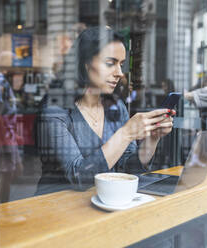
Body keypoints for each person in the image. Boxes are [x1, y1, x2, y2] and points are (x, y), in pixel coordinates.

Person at [35, 27, 175, 195]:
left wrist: (153, 137)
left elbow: (128, 169)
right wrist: (126, 134)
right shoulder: (54, 109)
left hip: (103, 202)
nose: (119, 73)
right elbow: (79, 177)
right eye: (110, 63)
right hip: (54, 207)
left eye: (121, 64)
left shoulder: (116, 106)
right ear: (85, 63)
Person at [0, 71, 23, 203]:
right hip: (5, 139)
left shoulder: (4, 83)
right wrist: (5, 141)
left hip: (8, 138)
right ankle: (3, 210)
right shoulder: (0, 82)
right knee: (7, 174)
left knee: (15, 172)